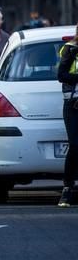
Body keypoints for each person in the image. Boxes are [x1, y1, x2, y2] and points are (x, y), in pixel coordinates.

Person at [57, 23, 78, 207]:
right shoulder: (71, 50)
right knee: (75, 145)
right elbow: (61, 75)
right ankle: (67, 189)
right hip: (74, 105)